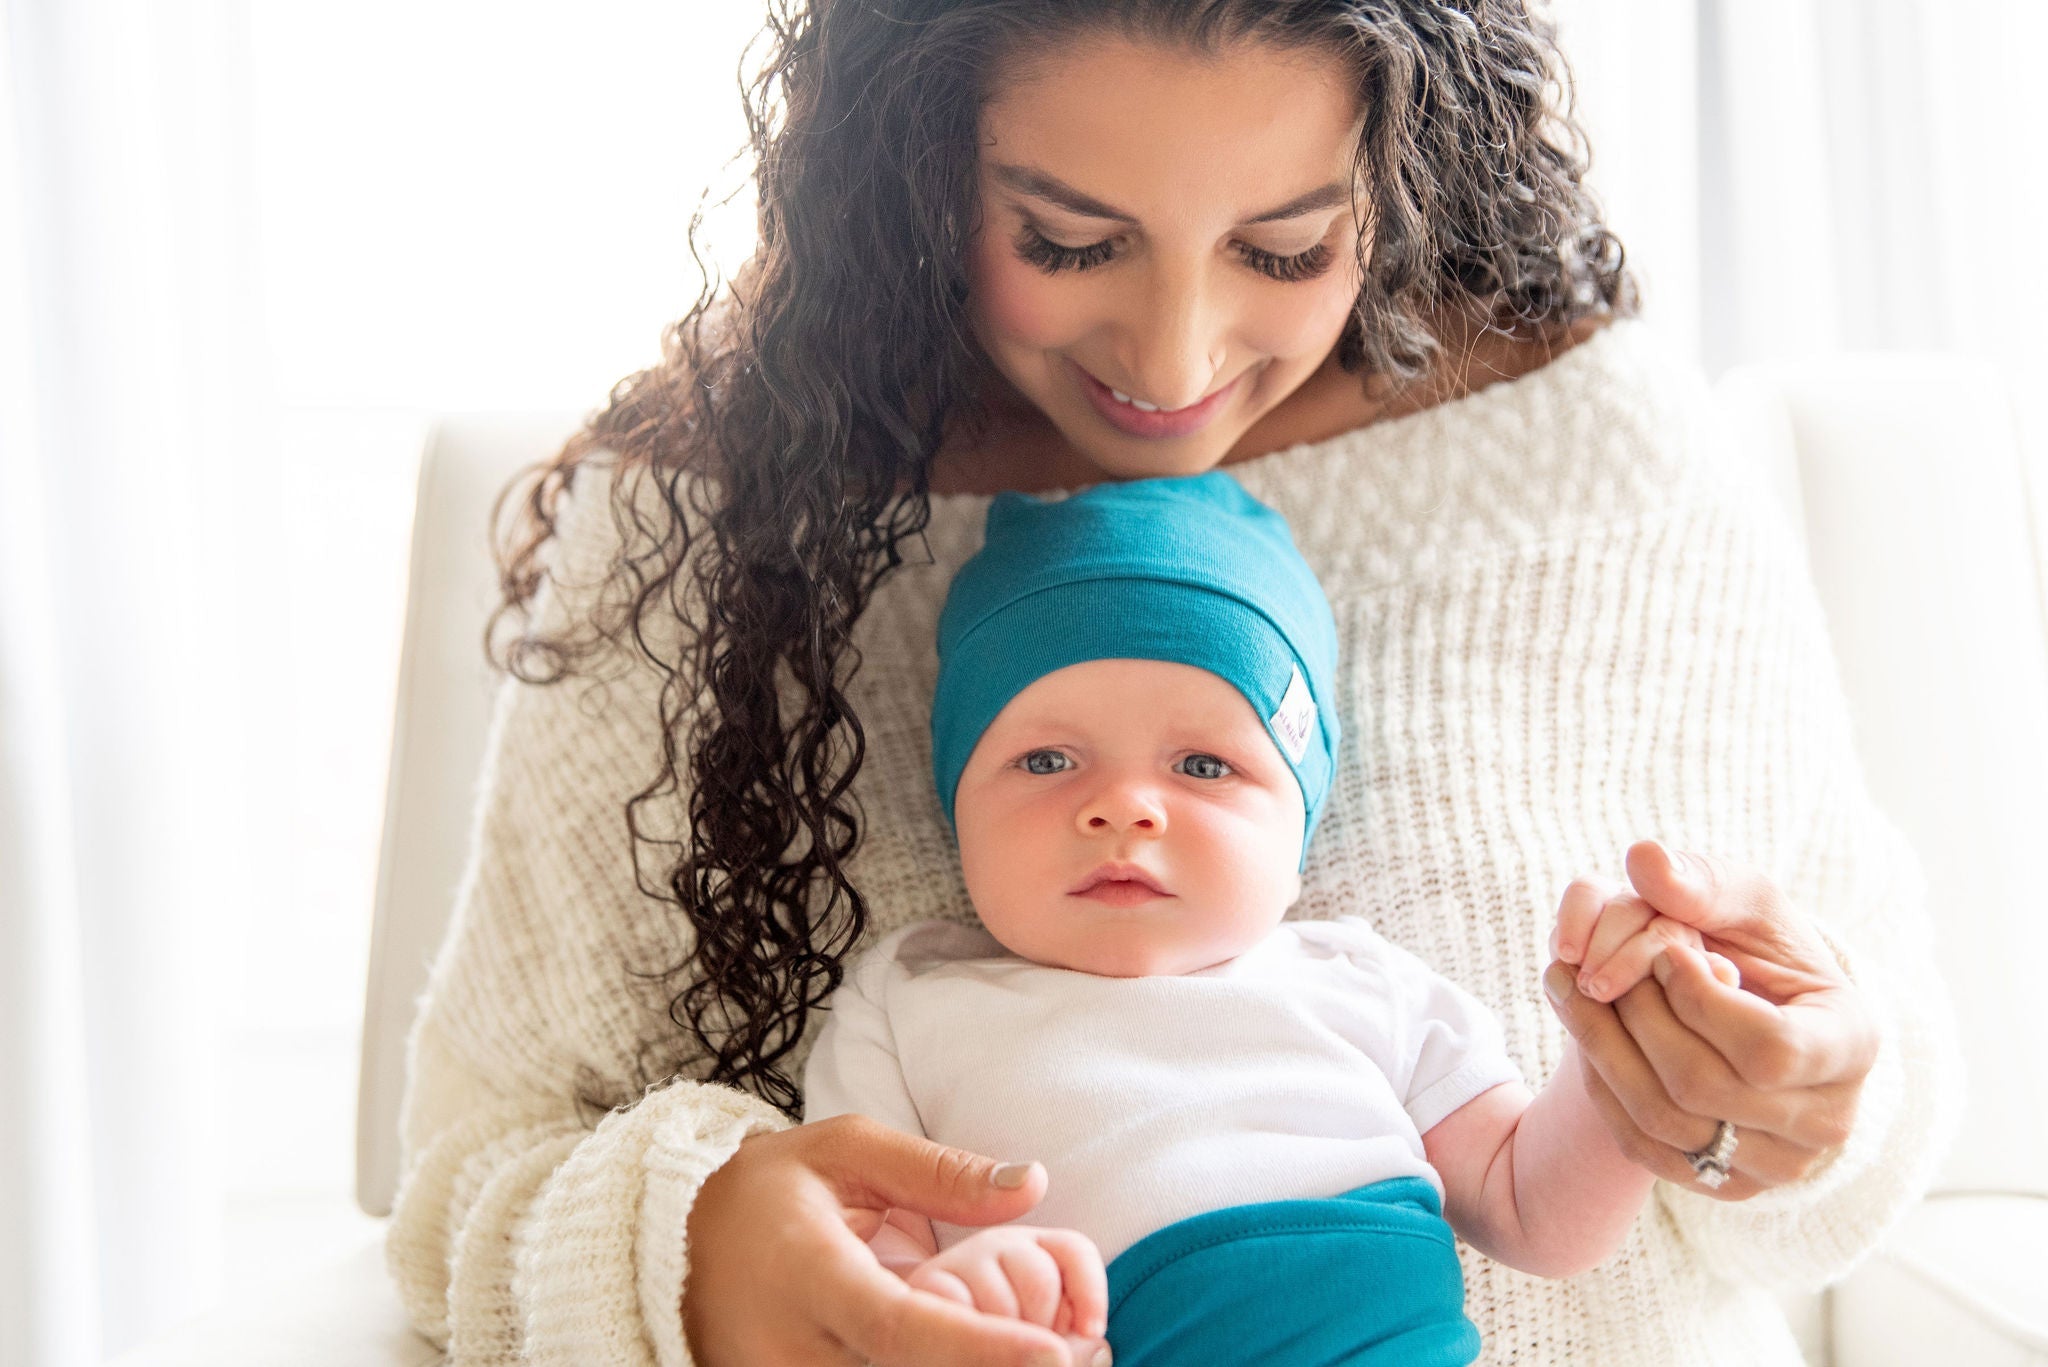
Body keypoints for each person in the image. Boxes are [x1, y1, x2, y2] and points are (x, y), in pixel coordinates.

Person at [383, 3, 1963, 1366]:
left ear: (1398, 170)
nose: (1177, 354)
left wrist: (1791, 1101)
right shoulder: (702, 523)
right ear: (915, 165)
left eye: (1285, 247)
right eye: (1070, 240)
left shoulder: (1595, 454)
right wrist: (698, 1258)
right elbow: (467, 1181)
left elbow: (1879, 1098)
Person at [800, 471, 1744, 1366]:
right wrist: (949, 1303)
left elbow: (1539, 1213)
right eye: (1047, 760)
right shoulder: (906, 1003)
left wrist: (1619, 1054)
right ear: (953, 808)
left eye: (1204, 767)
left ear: (1299, 837)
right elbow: (856, 1276)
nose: (1125, 807)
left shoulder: (1361, 977)